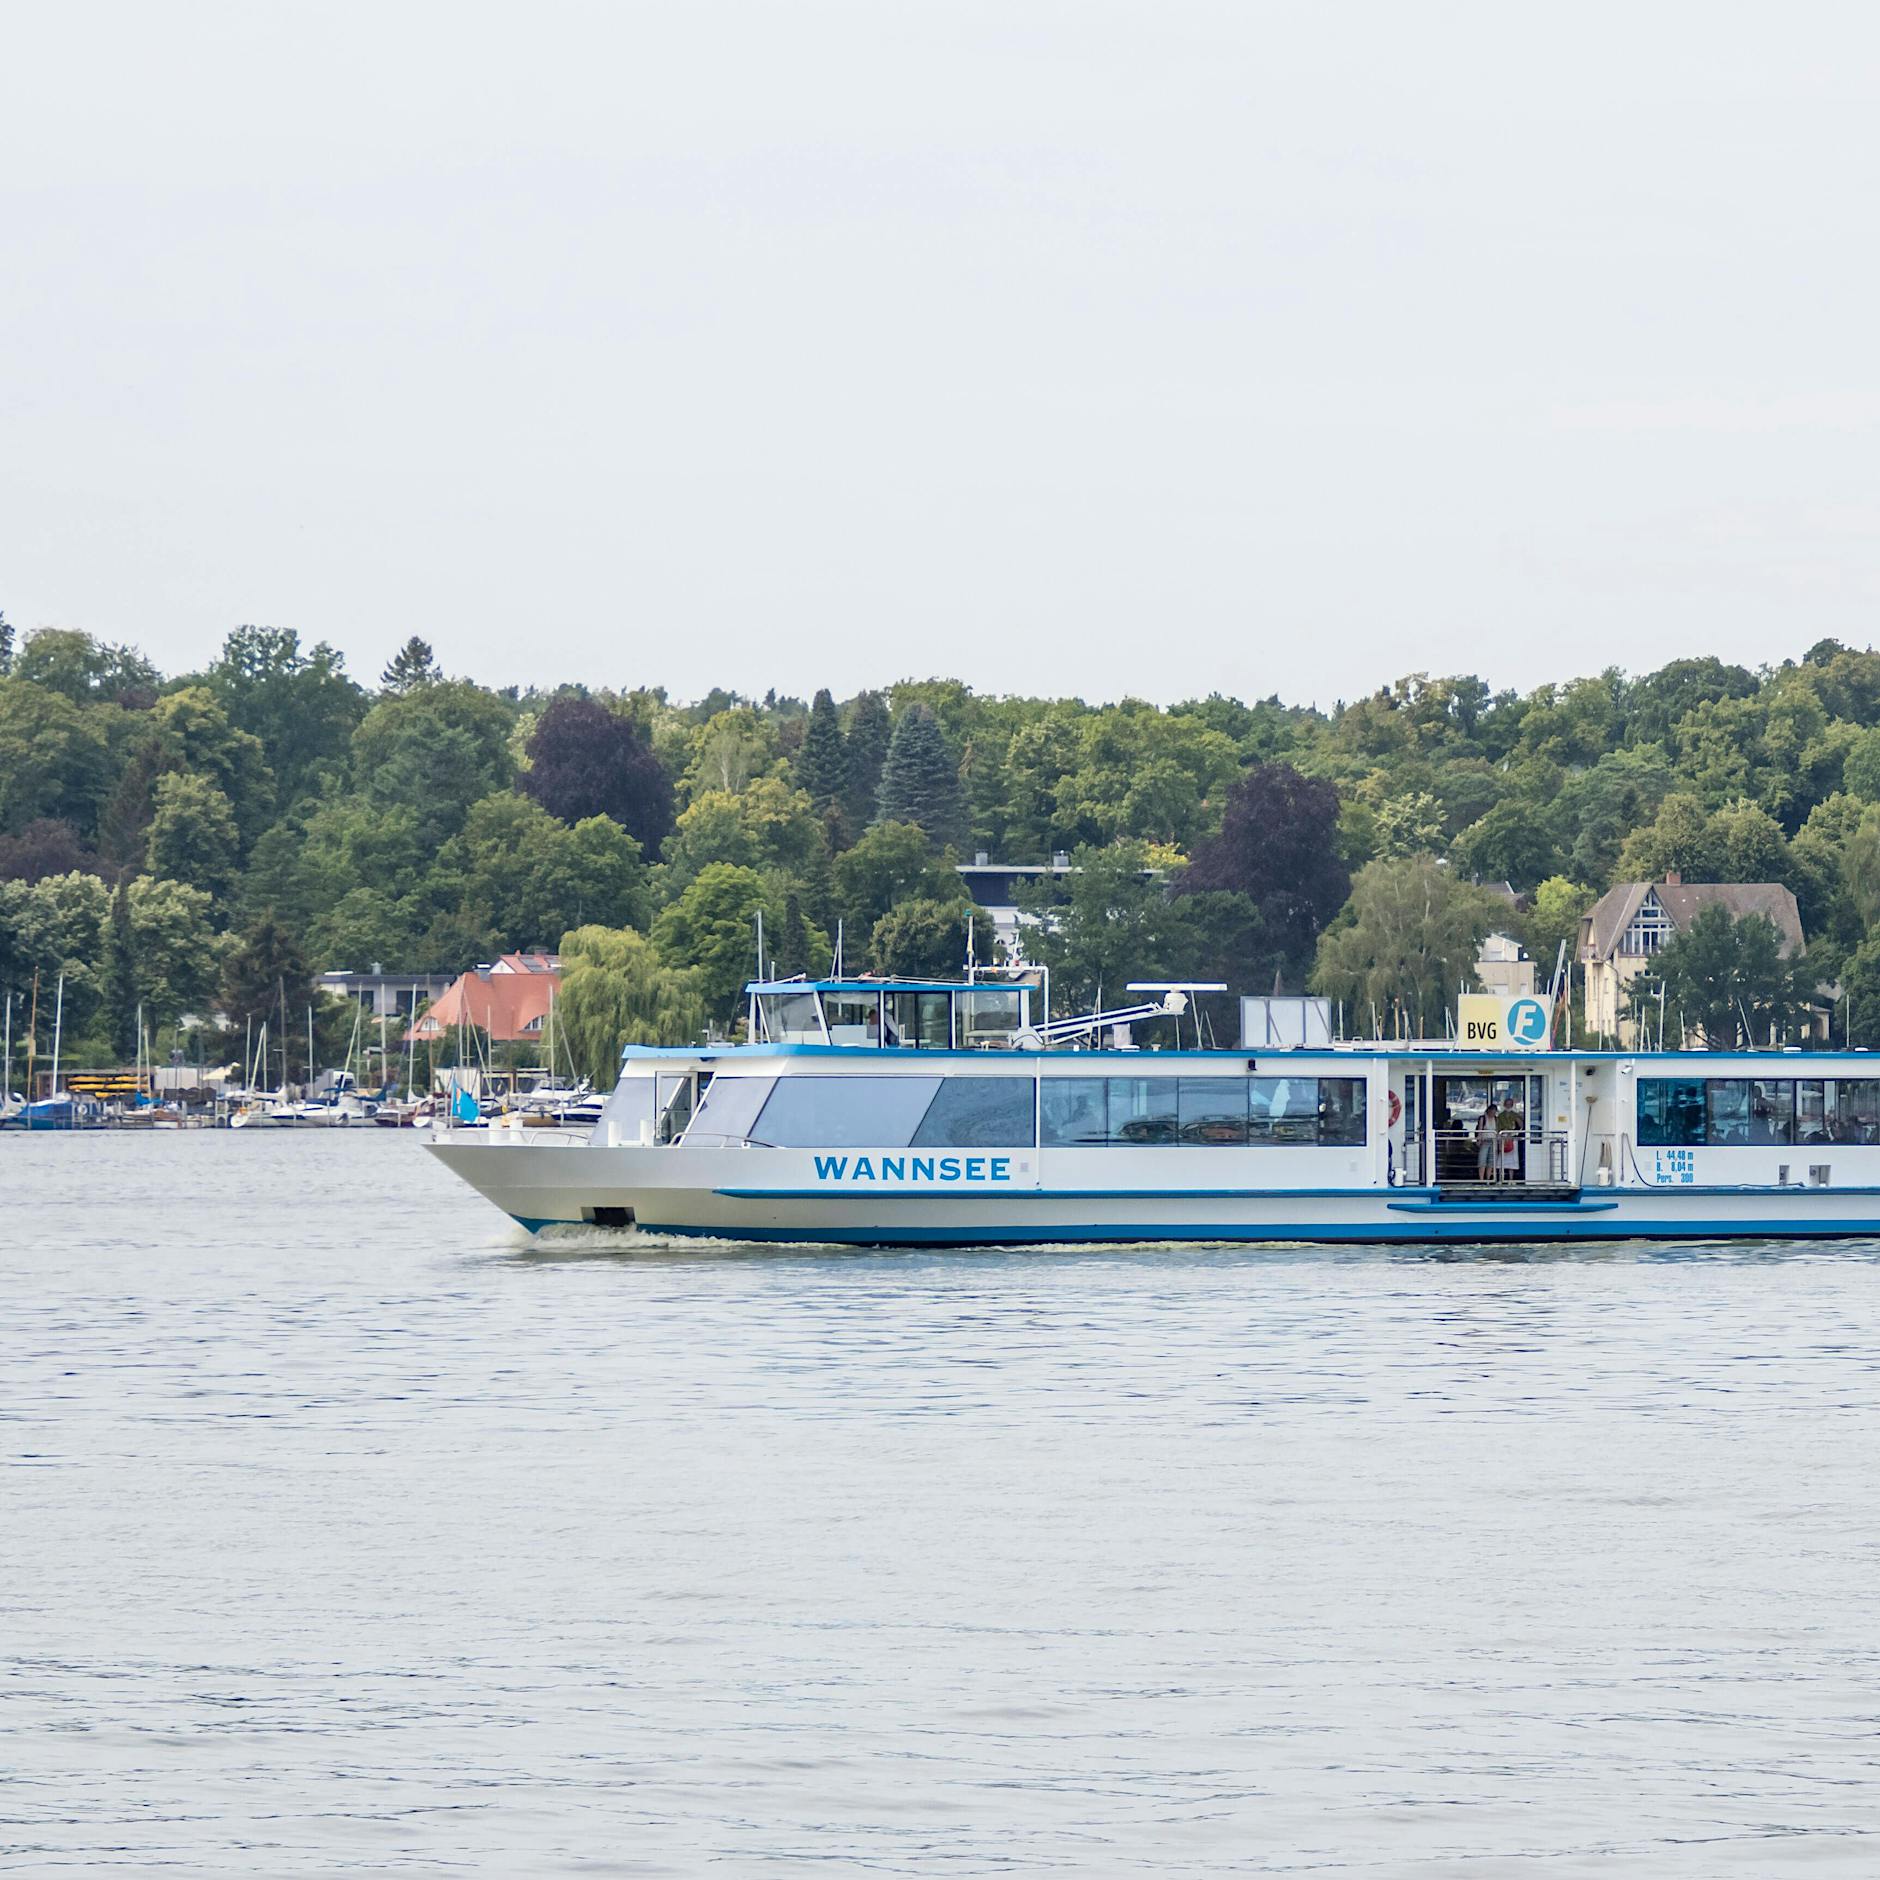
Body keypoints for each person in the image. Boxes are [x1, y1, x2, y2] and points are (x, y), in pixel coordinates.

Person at [1495, 1097, 1524, 1183]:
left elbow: (1521, 1126)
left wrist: (1518, 1121)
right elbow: (1497, 1128)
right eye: (1507, 1104)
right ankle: (1501, 1178)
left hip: (1512, 1137)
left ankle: (1511, 1179)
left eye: (1510, 1104)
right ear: (1504, 1105)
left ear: (1512, 1105)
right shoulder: (1500, 1116)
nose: (1508, 1105)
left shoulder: (1516, 1115)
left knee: (1513, 1159)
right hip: (1503, 1137)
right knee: (1501, 1159)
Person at [1474, 1107, 1496, 1183]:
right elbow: (1480, 1129)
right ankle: (1481, 1179)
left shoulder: (1496, 1119)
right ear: (1488, 1111)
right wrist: (1479, 1139)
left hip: (1493, 1141)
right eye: (1492, 1112)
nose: (1493, 1114)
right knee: (1482, 1160)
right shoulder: (1483, 1118)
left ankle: (1488, 1179)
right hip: (1485, 1141)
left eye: (1494, 1112)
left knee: (1491, 1161)